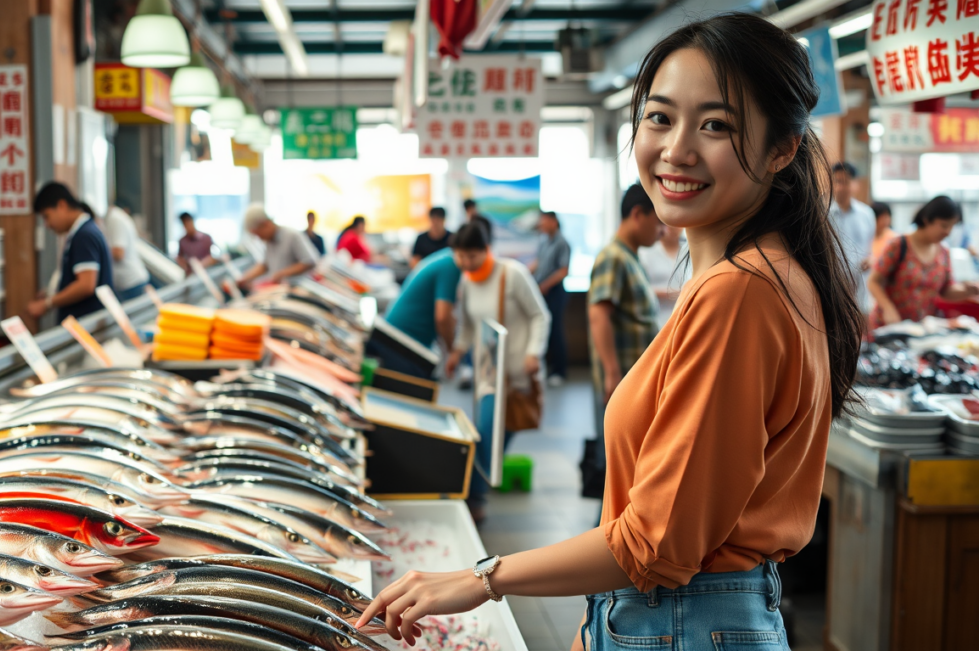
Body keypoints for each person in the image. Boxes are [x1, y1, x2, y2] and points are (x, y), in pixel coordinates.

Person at [356, 14, 863, 651]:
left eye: (715, 125)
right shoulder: (757, 274)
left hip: (683, 623)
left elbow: (656, 542)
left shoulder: (741, 292)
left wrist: (484, 577)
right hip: (679, 618)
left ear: (780, 149)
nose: (677, 149)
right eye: (659, 117)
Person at [443, 222, 550, 522]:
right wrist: (456, 352)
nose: (465, 263)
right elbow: (467, 326)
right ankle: (474, 499)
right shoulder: (466, 281)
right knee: (486, 435)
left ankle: (476, 493)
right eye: (460, 257)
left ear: (486, 250)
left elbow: (540, 315)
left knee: (499, 435)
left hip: (517, 372)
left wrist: (534, 352)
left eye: (472, 256)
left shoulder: (512, 274)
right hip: (488, 374)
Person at [589, 184, 664, 409]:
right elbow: (598, 315)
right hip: (623, 383)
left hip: (635, 381)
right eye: (659, 222)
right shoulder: (613, 257)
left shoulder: (630, 257)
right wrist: (612, 372)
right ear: (638, 214)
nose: (663, 231)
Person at [867, 196, 979, 330]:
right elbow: (873, 282)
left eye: (952, 227)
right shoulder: (899, 245)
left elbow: (946, 290)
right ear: (927, 220)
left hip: (921, 329)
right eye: (944, 225)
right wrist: (888, 308)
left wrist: (968, 290)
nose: (948, 232)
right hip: (890, 328)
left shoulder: (943, 253)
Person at [28, 182, 114, 322]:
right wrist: (54, 291)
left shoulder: (84, 235)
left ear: (62, 205)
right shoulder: (82, 231)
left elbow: (86, 285)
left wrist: (48, 303)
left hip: (87, 323)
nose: (47, 224)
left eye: (46, 216)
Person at [373, 246, 463, 377]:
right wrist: (452, 351)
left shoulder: (444, 258)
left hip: (397, 335)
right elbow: (443, 317)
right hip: (402, 340)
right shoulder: (451, 265)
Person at [529, 210, 571, 386]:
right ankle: (549, 369)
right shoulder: (544, 241)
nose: (542, 224)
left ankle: (559, 372)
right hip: (541, 291)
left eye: (545, 221)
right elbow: (538, 263)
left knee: (555, 331)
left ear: (554, 222)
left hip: (554, 292)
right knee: (545, 329)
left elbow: (563, 271)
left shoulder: (562, 243)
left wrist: (545, 285)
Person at [238, 203, 318, 289]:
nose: (259, 238)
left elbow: (310, 261)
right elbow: (265, 265)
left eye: (258, 234)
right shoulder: (269, 241)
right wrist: (244, 278)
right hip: (280, 291)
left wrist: (282, 273)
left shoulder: (291, 235)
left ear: (266, 224)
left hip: (298, 290)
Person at [830, 161, 876, 313]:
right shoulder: (822, 215)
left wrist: (871, 259)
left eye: (846, 182)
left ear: (856, 184)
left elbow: (871, 247)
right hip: (832, 284)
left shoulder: (867, 214)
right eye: (838, 181)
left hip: (860, 284)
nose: (841, 187)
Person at [638, 225, 689, 327]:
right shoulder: (646, 252)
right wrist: (675, 293)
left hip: (684, 319)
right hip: (656, 320)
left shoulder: (689, 250)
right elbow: (639, 290)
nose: (673, 228)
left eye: (677, 224)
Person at [102, 203, 150, 301]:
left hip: (130, 283)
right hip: (131, 282)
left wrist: (100, 252)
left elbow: (119, 253)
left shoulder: (115, 218)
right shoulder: (119, 217)